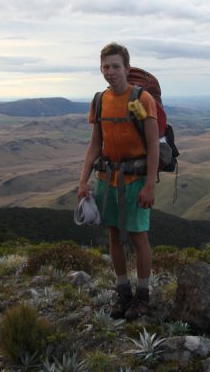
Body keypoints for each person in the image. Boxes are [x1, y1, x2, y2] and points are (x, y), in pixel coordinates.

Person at [77, 42, 159, 320]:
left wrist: (150, 185)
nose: (110, 71)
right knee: (113, 235)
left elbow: (153, 145)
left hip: (135, 180)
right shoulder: (100, 100)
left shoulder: (142, 99)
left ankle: (143, 295)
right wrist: (83, 180)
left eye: (115, 66)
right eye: (105, 66)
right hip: (107, 178)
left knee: (138, 237)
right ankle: (123, 291)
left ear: (126, 68)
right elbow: (94, 145)